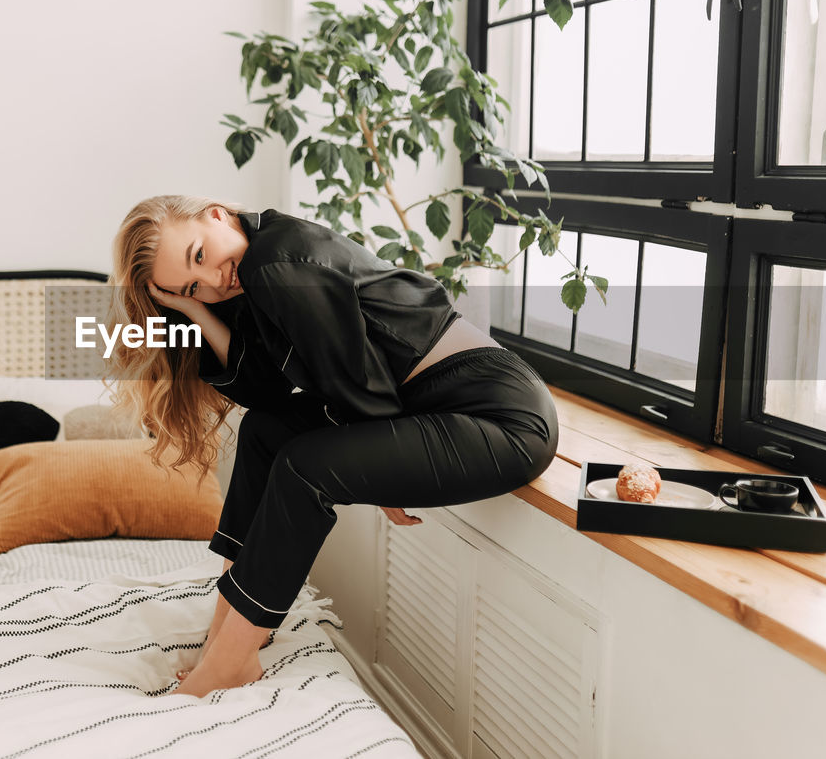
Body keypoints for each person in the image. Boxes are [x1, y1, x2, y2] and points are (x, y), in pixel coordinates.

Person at [108, 195, 558, 698]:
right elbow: (267, 395)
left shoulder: (275, 259)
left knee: (306, 468)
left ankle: (235, 659)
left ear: (215, 213)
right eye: (194, 283)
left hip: (497, 412)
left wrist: (384, 472)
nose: (213, 279)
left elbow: (358, 381)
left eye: (198, 255)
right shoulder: (254, 265)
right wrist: (191, 305)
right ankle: (223, 642)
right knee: (264, 432)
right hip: (428, 402)